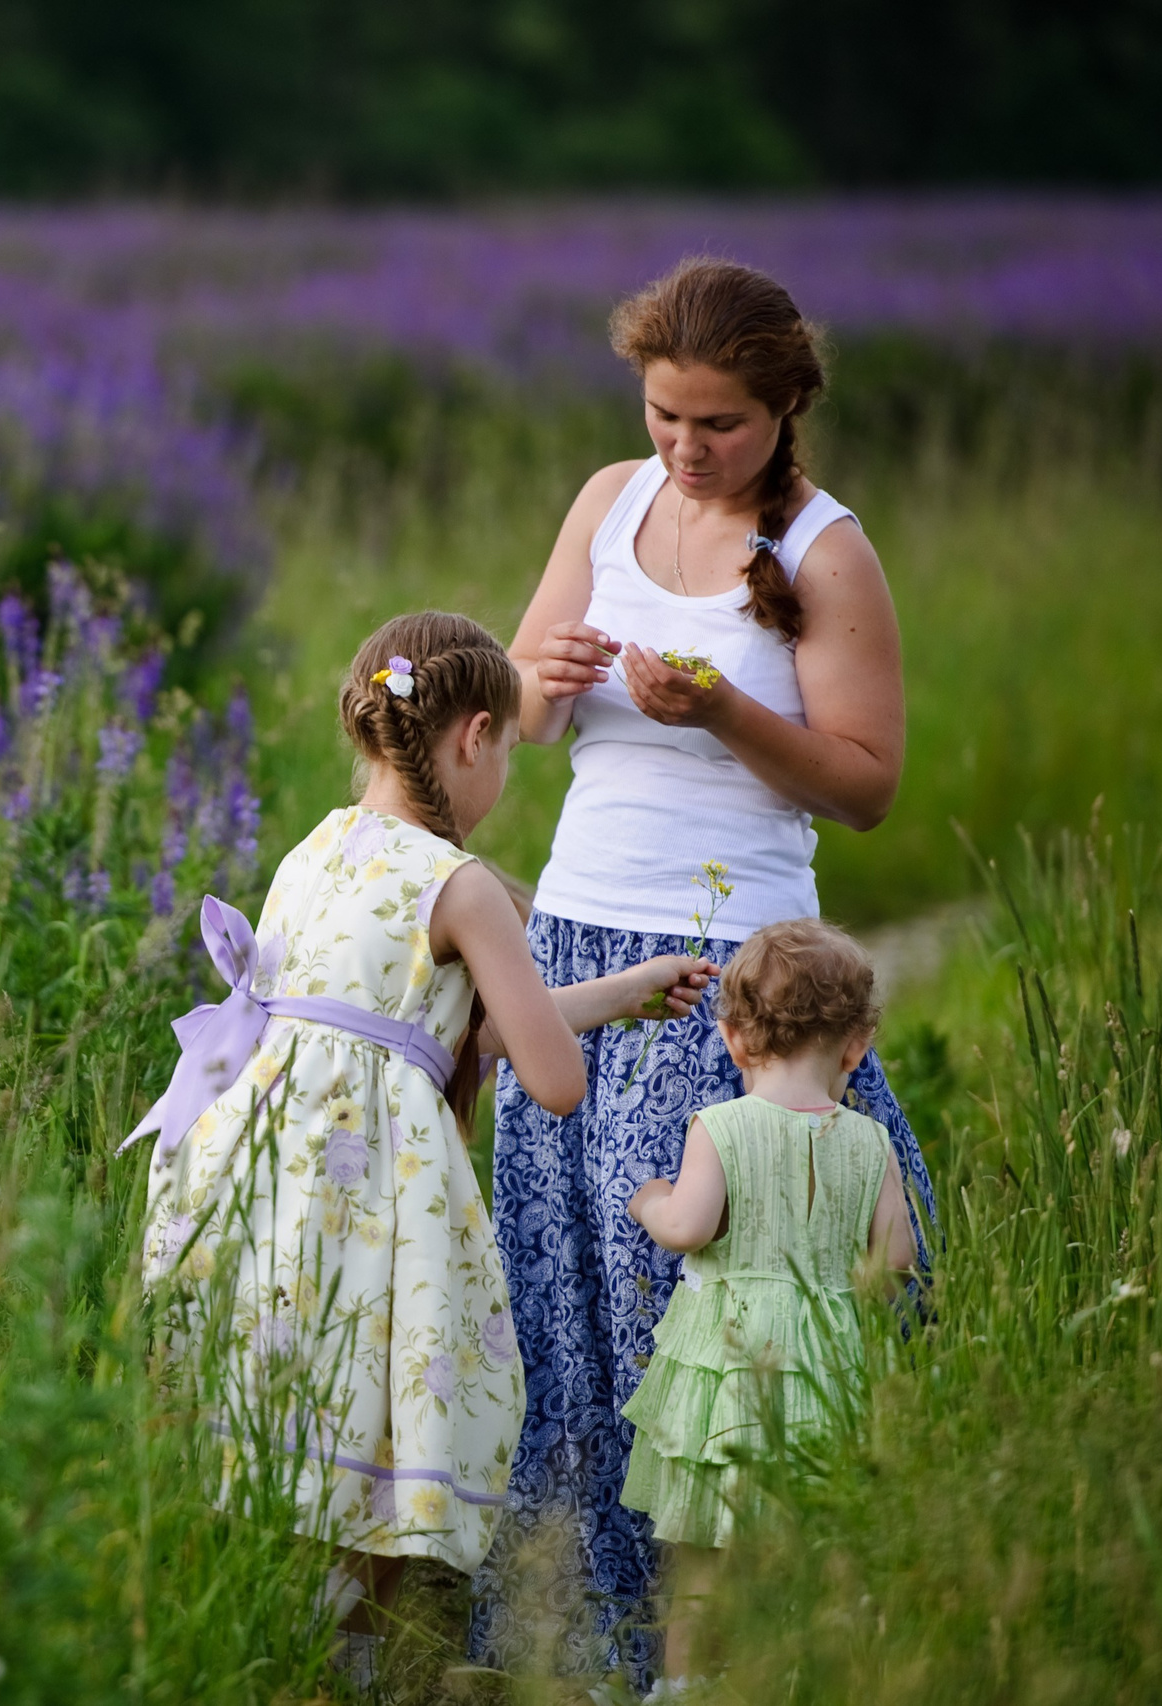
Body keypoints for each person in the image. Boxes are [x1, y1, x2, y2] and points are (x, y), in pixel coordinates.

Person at [471, 257, 939, 1682]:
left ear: (784, 405)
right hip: (569, 941)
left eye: (718, 423)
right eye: (666, 415)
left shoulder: (826, 550)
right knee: (561, 1296)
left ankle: (712, 1639)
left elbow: (864, 788)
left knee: (687, 1302)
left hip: (727, 970)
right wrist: (541, 680)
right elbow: (531, 716)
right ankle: (571, 1628)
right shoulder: (610, 498)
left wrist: (725, 704)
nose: (685, 447)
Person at [123, 612, 714, 1689]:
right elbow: (545, 1073)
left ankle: (297, 1649)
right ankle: (350, 1662)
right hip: (372, 1197)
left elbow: (431, 1019)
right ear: (476, 735)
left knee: (304, 1412)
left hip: (271, 1181)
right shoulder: (464, 881)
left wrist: (624, 992)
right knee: (376, 1417)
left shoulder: (315, 846)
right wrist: (573, 1015)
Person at [620, 919, 918, 1690]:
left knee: (702, 1551)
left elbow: (687, 1226)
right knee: (807, 1542)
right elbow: (894, 1263)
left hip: (729, 1371)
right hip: (826, 1366)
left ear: (733, 1038)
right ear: (856, 1047)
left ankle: (684, 1686)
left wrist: (651, 1200)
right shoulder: (869, 1142)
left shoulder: (721, 1128)